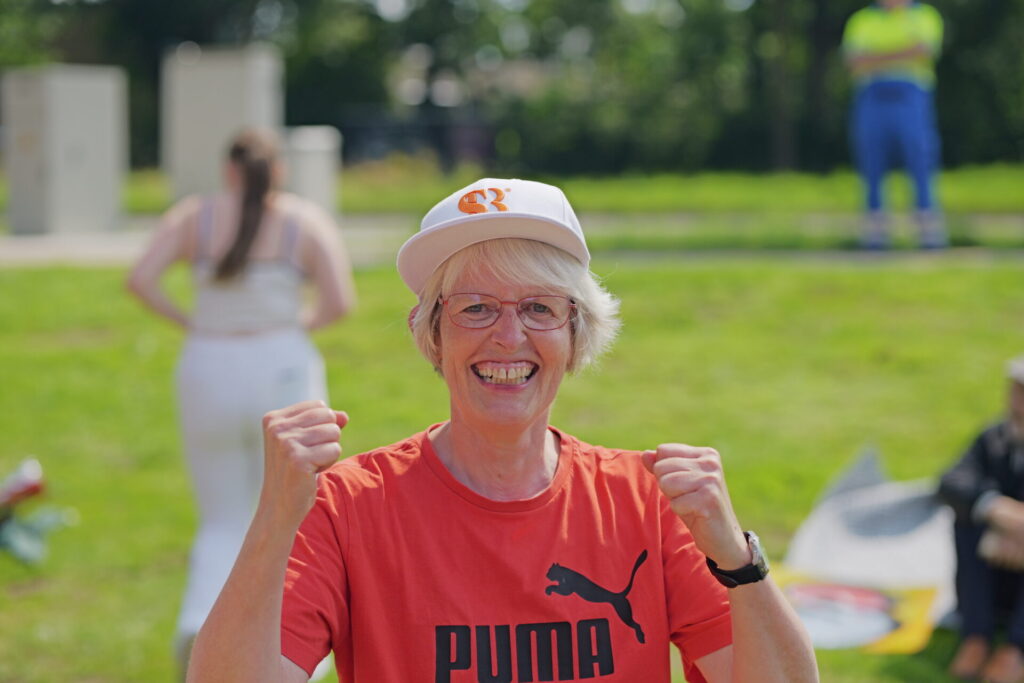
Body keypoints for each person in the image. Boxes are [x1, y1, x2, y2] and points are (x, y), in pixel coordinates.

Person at [186, 178, 818, 682]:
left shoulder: (650, 503)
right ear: (432, 333)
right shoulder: (348, 506)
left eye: (540, 308)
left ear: (577, 336)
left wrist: (736, 557)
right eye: (475, 308)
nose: (508, 337)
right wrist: (274, 519)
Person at [126, 127, 357, 677]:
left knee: (221, 516)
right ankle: (292, 647)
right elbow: (340, 301)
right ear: (278, 171)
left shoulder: (194, 216)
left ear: (229, 170)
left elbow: (141, 280)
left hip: (208, 367)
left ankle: (199, 623)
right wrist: (292, 325)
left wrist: (194, 322)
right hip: (281, 366)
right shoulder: (303, 220)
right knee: (293, 512)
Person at [939, 356, 1024, 683]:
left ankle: (1016, 648)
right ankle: (976, 634)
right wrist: (997, 510)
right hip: (996, 566)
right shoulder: (994, 438)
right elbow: (950, 482)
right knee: (967, 519)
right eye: (1016, 390)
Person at [842, 0, 946, 250]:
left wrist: (874, 56)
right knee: (871, 160)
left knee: (919, 156)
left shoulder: (925, 15)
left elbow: (924, 51)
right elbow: (853, 61)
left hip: (912, 93)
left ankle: (927, 231)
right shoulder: (861, 19)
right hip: (871, 95)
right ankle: (876, 233)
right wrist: (902, 52)